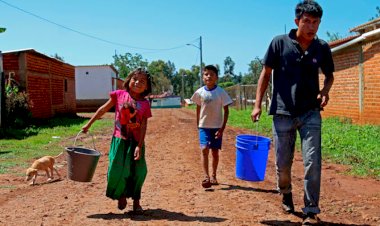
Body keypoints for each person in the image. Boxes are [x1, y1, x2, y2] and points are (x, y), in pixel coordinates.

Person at [251, 1, 334, 224]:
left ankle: (311, 210)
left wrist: (325, 91)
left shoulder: (322, 48)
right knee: (283, 164)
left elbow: (329, 76)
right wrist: (257, 104)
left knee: (312, 161)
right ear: (297, 21)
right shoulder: (279, 43)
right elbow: (265, 74)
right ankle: (286, 191)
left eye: (316, 22)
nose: (311, 26)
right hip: (282, 112)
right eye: (307, 21)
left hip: (310, 113)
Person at [81, 68, 152, 213]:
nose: (137, 82)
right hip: (120, 140)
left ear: (147, 87)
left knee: (138, 171)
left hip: (136, 142)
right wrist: (88, 124)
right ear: (129, 80)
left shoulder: (145, 104)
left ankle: (137, 202)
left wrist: (139, 145)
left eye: (142, 81)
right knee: (117, 170)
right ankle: (121, 195)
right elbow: (102, 109)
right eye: (135, 79)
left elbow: (144, 125)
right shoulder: (119, 95)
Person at [191, 65, 233, 188]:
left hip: (217, 127)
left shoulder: (220, 92)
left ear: (216, 78)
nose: (208, 76)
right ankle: (206, 176)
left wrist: (222, 128)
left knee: (214, 152)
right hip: (203, 126)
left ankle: (214, 175)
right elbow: (198, 109)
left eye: (211, 74)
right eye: (206, 74)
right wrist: (198, 123)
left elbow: (226, 110)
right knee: (204, 149)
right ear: (203, 77)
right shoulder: (199, 92)